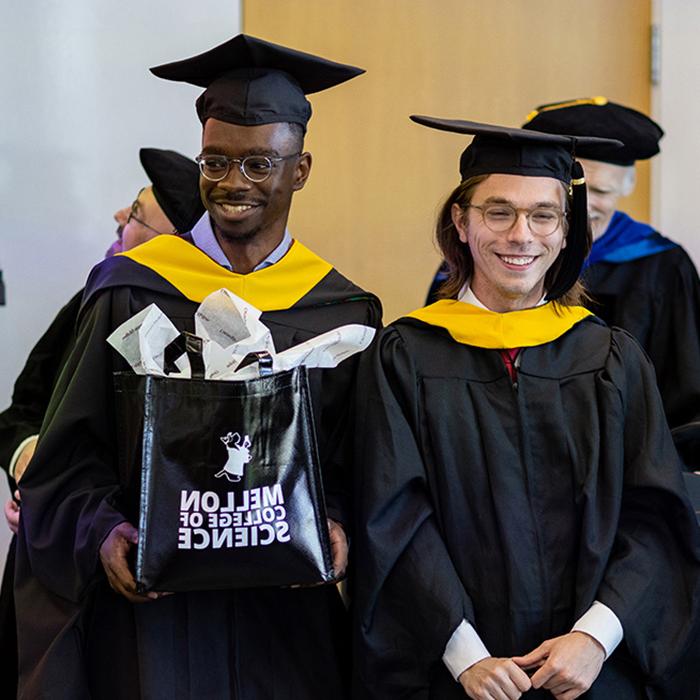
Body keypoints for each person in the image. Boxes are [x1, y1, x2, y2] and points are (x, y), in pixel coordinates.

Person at [16, 34, 380, 699]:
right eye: (216, 162)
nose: (233, 184)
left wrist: (337, 525)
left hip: (284, 623)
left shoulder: (339, 309)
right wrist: (103, 533)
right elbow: (66, 458)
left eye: (259, 163)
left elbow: (359, 463)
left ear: (299, 170)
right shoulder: (131, 290)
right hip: (152, 626)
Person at [353, 116, 700, 699]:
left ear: (566, 232)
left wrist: (595, 637)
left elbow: (657, 515)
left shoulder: (611, 359)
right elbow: (391, 518)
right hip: (458, 674)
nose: (522, 235)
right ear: (461, 223)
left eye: (543, 215)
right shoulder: (403, 356)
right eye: (498, 212)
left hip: (596, 672)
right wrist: (464, 654)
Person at [0, 147, 202, 697]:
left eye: (136, 213)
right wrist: (31, 461)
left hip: (143, 570)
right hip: (59, 565)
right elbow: (20, 410)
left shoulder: (205, 322)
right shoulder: (96, 298)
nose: (120, 218)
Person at [520, 97, 700, 469]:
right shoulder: (507, 258)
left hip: (630, 467)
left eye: (601, 192)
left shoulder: (660, 265)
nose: (587, 205)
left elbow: (687, 392)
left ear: (627, 186)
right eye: (573, 191)